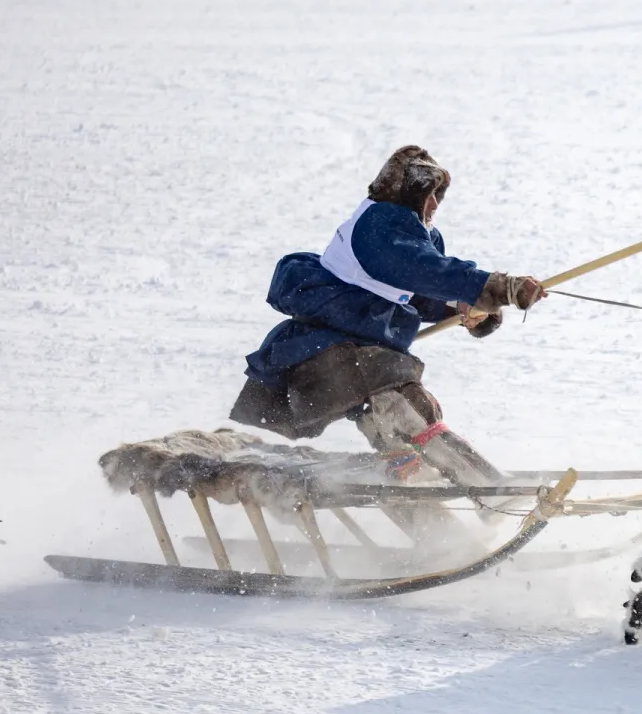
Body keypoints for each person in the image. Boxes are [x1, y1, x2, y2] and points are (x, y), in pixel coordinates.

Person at [230, 146, 544, 485]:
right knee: (404, 399)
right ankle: (489, 487)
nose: (435, 204)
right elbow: (425, 270)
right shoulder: (380, 224)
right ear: (407, 194)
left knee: (390, 417)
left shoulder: (404, 232)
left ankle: (418, 498)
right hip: (323, 351)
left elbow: (413, 294)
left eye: (439, 195)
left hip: (344, 354)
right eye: (428, 194)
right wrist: (495, 288)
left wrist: (461, 307)